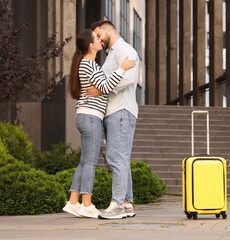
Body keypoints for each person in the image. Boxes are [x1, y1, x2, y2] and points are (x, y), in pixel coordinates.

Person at [62, 29, 135, 219]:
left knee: (85, 161)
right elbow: (106, 87)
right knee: (90, 163)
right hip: (91, 117)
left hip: (86, 116)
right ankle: (86, 205)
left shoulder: (88, 64)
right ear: (91, 45)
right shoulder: (89, 65)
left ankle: (72, 201)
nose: (100, 40)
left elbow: (101, 87)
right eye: (96, 38)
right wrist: (123, 68)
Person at [86, 20, 139, 219]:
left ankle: (116, 204)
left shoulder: (124, 49)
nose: (98, 40)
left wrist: (101, 88)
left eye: (99, 35)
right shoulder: (112, 55)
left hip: (121, 110)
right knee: (121, 157)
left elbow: (129, 78)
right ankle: (126, 203)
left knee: (116, 157)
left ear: (109, 31)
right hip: (115, 111)